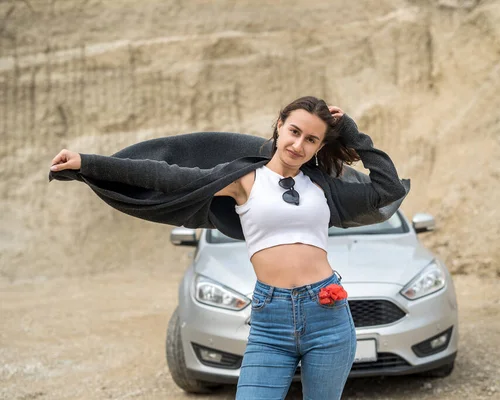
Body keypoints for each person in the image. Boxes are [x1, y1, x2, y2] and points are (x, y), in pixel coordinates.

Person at [49, 96, 410, 399]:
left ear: (319, 146)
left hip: (328, 314)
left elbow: (389, 190)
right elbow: (167, 176)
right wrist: (88, 164)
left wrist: (351, 132)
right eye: (294, 132)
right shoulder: (243, 179)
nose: (298, 145)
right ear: (279, 126)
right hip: (271, 319)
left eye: (311, 140)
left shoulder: (323, 186)